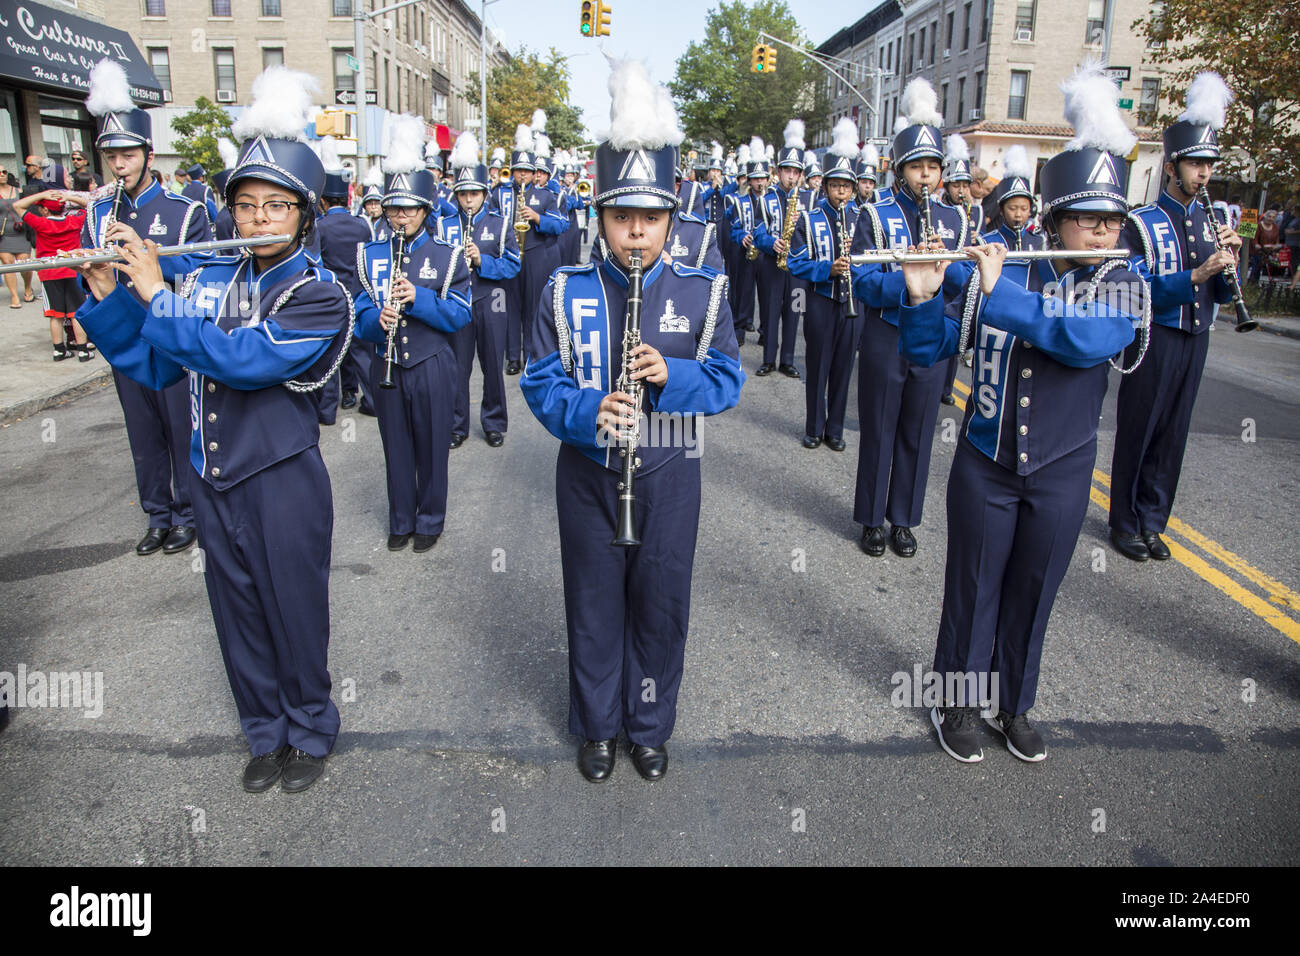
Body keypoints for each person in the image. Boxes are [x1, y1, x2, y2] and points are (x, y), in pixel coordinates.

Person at [75, 65, 353, 793]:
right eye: (246, 207)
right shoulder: (203, 281)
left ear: (303, 215)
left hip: (282, 481)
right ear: (229, 212)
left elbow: (243, 359)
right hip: (213, 479)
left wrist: (156, 297)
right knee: (236, 614)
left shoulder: (319, 295)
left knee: (294, 611)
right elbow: (156, 366)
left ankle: (311, 726)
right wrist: (114, 301)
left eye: (276, 208)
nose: (258, 221)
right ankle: (265, 732)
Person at [898, 62, 1146, 763]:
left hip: (1063, 472)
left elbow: (1077, 337)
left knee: (1033, 593)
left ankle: (1015, 704)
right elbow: (933, 350)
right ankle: (957, 703)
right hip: (986, 462)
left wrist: (991, 286)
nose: (1099, 234)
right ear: (1056, 219)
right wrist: (921, 292)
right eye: (1085, 220)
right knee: (972, 589)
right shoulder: (1016, 264)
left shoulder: (1126, 287)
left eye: (1109, 222)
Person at [520, 56, 744, 783]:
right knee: (591, 601)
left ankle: (648, 724)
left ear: (671, 219)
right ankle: (596, 726)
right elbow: (540, 378)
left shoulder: (703, 288)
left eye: (651, 218)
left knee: (660, 602)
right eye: (623, 217)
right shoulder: (566, 286)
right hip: (588, 468)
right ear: (601, 218)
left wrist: (668, 377)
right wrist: (591, 410)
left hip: (673, 466)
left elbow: (727, 381)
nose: (637, 233)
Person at [82, 58, 212, 558]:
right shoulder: (97, 212)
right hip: (124, 334)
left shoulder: (185, 211)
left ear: (147, 154)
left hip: (167, 330)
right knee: (141, 430)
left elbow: (202, 277)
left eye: (128, 154)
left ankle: (187, 512)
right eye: (111, 155)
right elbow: (90, 276)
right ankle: (158, 513)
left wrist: (142, 254)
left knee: (181, 424)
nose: (119, 164)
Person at [1109, 72, 1242, 562]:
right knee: (1140, 428)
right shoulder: (1141, 223)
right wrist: (1194, 275)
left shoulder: (1214, 219)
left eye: (1208, 165)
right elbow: (1132, 289)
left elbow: (1224, 293)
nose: (1203, 175)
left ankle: (1152, 519)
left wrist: (1230, 266)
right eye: (1195, 165)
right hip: (1155, 337)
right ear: (1173, 165)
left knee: (1174, 433)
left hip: (1196, 336)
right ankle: (1123, 522)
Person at [850, 77, 972, 560]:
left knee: (918, 431)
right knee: (880, 428)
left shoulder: (957, 219)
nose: (925, 176)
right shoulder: (875, 214)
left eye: (932, 167)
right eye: (917, 167)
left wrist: (942, 272)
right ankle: (870, 518)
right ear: (899, 170)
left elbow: (966, 278)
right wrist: (911, 278)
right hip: (886, 334)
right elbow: (863, 282)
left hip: (934, 335)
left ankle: (903, 518)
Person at [354, 114, 472, 553]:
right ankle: (400, 517)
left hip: (431, 364)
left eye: (408, 209)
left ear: (424, 210)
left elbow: (460, 315)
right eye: (393, 208)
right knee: (396, 447)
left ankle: (430, 518)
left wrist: (418, 298)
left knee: (431, 447)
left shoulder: (446, 254)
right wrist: (376, 319)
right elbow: (358, 312)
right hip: (387, 364)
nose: (399, 217)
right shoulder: (369, 254)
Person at [788, 117, 863, 452]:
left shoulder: (862, 218)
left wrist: (854, 263)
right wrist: (827, 268)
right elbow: (796, 261)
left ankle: (835, 429)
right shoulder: (809, 218)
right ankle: (814, 427)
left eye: (846, 186)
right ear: (826, 187)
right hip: (820, 299)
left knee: (844, 367)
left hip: (852, 302)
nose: (841, 192)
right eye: (835, 186)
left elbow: (874, 260)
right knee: (818, 366)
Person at [440, 131, 520, 448]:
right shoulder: (445, 225)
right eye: (463, 195)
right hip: (458, 302)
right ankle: (456, 425)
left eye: (474, 194)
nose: (469, 200)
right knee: (458, 367)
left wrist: (482, 260)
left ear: (485, 194)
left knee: (491, 366)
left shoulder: (499, 223)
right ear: (457, 196)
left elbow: (513, 264)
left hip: (492, 300)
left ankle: (494, 422)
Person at [313, 136, 374, 423]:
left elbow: (316, 263)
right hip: (359, 293)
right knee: (360, 351)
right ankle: (367, 398)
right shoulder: (362, 224)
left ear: (323, 202)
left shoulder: (320, 227)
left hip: (332, 294)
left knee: (330, 352)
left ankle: (328, 410)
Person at [752, 120, 812, 379]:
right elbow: (757, 231)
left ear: (801, 175)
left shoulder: (810, 200)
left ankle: (787, 359)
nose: (790, 176)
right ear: (779, 171)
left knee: (794, 312)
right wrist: (770, 242)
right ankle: (769, 359)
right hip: (772, 265)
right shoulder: (766, 199)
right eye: (786, 170)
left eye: (795, 172)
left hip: (798, 267)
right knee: (771, 310)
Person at [14, 189, 90, 359]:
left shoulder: (40, 223)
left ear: (45, 210)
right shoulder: (74, 221)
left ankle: (59, 350)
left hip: (49, 274)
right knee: (77, 312)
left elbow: (17, 205)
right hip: (73, 270)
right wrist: (68, 197)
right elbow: (89, 205)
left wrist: (42, 195)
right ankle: (83, 350)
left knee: (55, 314)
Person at [494, 125, 535, 375]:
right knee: (510, 308)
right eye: (518, 170)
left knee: (531, 309)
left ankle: (530, 355)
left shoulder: (543, 194)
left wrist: (536, 217)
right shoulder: (499, 193)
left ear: (533, 174)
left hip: (532, 256)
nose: (521, 175)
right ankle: (512, 357)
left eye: (526, 171)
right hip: (507, 255)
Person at [0, 168, 36, 308]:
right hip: (3, 235)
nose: (2, 175)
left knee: (24, 262)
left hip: (21, 231)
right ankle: (14, 296)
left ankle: (28, 287)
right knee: (8, 263)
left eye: (4, 172)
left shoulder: (18, 190)